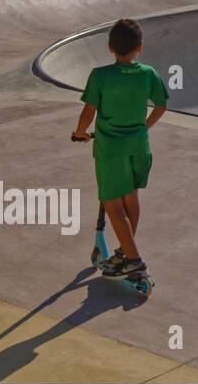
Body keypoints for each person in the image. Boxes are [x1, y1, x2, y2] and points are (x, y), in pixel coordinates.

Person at [72, 18, 169, 279]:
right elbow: (161, 105)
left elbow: (88, 111)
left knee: (113, 204)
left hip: (110, 151)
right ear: (140, 46)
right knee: (131, 198)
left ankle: (135, 260)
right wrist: (144, 127)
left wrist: (79, 134)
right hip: (140, 147)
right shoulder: (148, 73)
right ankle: (124, 254)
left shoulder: (100, 76)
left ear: (109, 47)